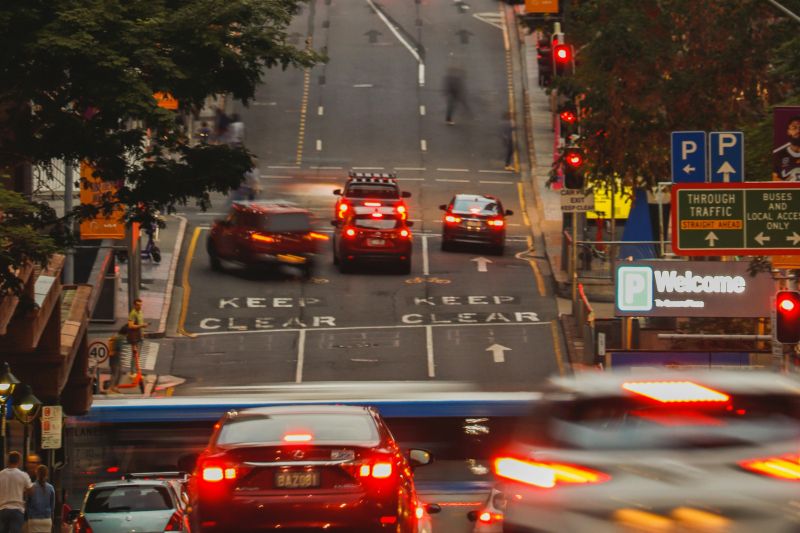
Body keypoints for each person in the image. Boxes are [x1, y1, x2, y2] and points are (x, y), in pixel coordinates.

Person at [0, 452, 33, 533]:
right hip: (17, 509)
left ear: (8, 461)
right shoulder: (23, 475)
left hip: (2, 509)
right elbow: (31, 491)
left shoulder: (1, 474)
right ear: (19, 461)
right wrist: (23, 490)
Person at [24, 465, 54, 533]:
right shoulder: (51, 488)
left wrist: (29, 516)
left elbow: (27, 504)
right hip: (47, 520)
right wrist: (52, 520)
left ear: (36, 473)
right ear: (47, 474)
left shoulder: (31, 487)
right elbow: (52, 507)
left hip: (34, 520)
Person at [772, 115, 800, 182]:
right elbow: (774, 180)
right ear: (788, 131)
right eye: (794, 128)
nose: (798, 131)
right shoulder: (778, 155)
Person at [127, 298, 149, 377]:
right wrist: (142, 325)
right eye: (138, 305)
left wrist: (143, 329)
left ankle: (136, 372)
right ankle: (132, 372)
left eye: (140, 305)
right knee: (134, 354)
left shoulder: (140, 312)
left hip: (140, 336)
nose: (140, 306)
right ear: (134, 305)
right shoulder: (133, 313)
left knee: (137, 355)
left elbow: (140, 323)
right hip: (134, 338)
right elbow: (130, 326)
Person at [107, 325, 127, 393]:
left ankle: (114, 387)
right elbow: (118, 348)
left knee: (119, 372)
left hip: (114, 357)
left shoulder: (119, 336)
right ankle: (111, 388)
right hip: (115, 357)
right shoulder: (120, 338)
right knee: (115, 373)